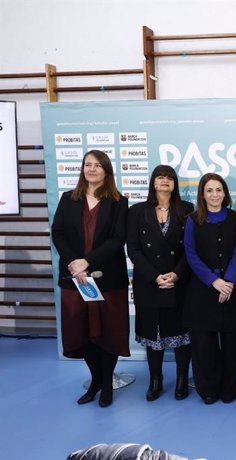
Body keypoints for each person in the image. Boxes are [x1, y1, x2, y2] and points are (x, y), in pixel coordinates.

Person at [51, 149, 129, 408]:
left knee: (108, 333)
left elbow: (118, 240)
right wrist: (76, 264)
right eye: (87, 164)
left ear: (106, 170)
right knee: (81, 333)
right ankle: (96, 379)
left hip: (107, 280)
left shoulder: (119, 201)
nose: (91, 169)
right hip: (76, 280)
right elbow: (58, 233)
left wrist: (89, 261)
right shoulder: (68, 198)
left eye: (97, 165)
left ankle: (107, 385)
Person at [183, 173, 236, 404]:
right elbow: (191, 255)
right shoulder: (193, 220)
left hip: (232, 289)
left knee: (232, 345)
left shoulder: (235, 218)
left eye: (219, 190)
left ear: (225, 193)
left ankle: (229, 389)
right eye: (210, 190)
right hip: (204, 290)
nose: (215, 195)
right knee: (204, 345)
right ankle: (208, 389)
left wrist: (229, 282)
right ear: (202, 194)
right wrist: (215, 281)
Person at [127, 165, 194, 401]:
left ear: (175, 183)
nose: (165, 181)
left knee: (181, 335)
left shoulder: (186, 209)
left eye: (169, 177)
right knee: (153, 336)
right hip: (149, 283)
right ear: (153, 182)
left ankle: (182, 380)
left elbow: (190, 249)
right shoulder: (136, 211)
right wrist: (155, 276)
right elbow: (133, 249)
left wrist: (176, 274)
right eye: (160, 177)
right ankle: (156, 380)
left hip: (179, 282)